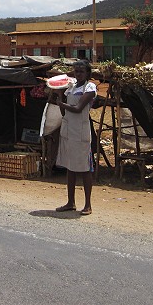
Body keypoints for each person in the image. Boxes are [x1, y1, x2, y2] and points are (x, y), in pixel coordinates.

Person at [53, 60, 97, 215]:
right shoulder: (71, 88)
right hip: (69, 130)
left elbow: (78, 109)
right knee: (70, 167)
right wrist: (59, 96)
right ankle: (70, 202)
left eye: (81, 71)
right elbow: (65, 113)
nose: (78, 74)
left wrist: (60, 102)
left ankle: (88, 205)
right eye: (76, 71)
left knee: (85, 168)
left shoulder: (90, 88)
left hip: (81, 132)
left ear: (87, 73)